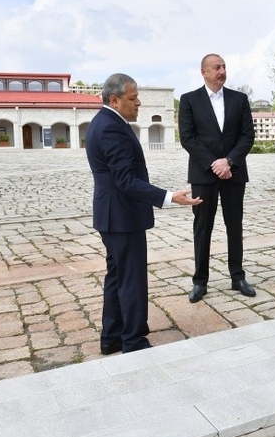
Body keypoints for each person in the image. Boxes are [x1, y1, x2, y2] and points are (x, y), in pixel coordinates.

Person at [86, 73, 201, 355]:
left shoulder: (103, 122)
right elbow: (125, 180)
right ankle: (134, 341)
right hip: (122, 217)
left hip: (112, 216)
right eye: (133, 98)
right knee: (131, 280)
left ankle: (112, 336)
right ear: (114, 100)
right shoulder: (112, 127)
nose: (139, 102)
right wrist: (168, 197)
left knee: (117, 276)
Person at [179, 54, 256, 303]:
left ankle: (238, 277)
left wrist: (229, 162)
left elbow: (247, 136)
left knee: (235, 225)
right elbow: (188, 138)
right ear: (204, 72)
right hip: (204, 174)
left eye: (224, 67)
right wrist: (214, 164)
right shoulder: (189, 100)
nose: (222, 71)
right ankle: (200, 281)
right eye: (216, 67)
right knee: (203, 228)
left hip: (234, 173)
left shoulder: (239, 99)